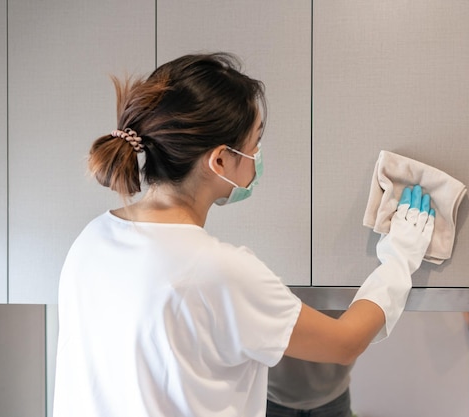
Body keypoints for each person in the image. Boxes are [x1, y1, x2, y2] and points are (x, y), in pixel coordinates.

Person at [53, 52, 435, 417]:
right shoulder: (220, 271)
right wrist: (401, 255)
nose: (258, 155)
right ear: (219, 160)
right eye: (254, 143)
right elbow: (345, 343)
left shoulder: (92, 239)